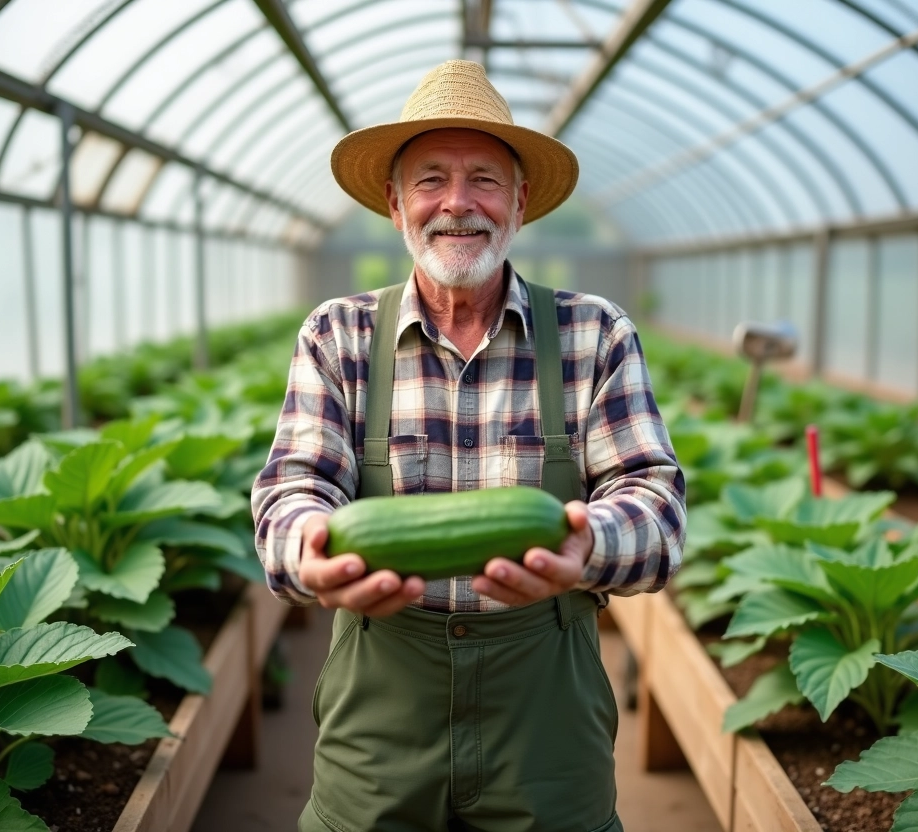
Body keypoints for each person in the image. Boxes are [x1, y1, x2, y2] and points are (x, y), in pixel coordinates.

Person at [252, 59, 685, 832]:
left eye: (484, 179)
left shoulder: (595, 333)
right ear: (396, 205)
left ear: (520, 202)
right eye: (431, 180)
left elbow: (657, 508)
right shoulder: (338, 334)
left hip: (548, 731)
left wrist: (585, 547)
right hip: (377, 721)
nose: (458, 202)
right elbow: (292, 489)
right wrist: (310, 551)